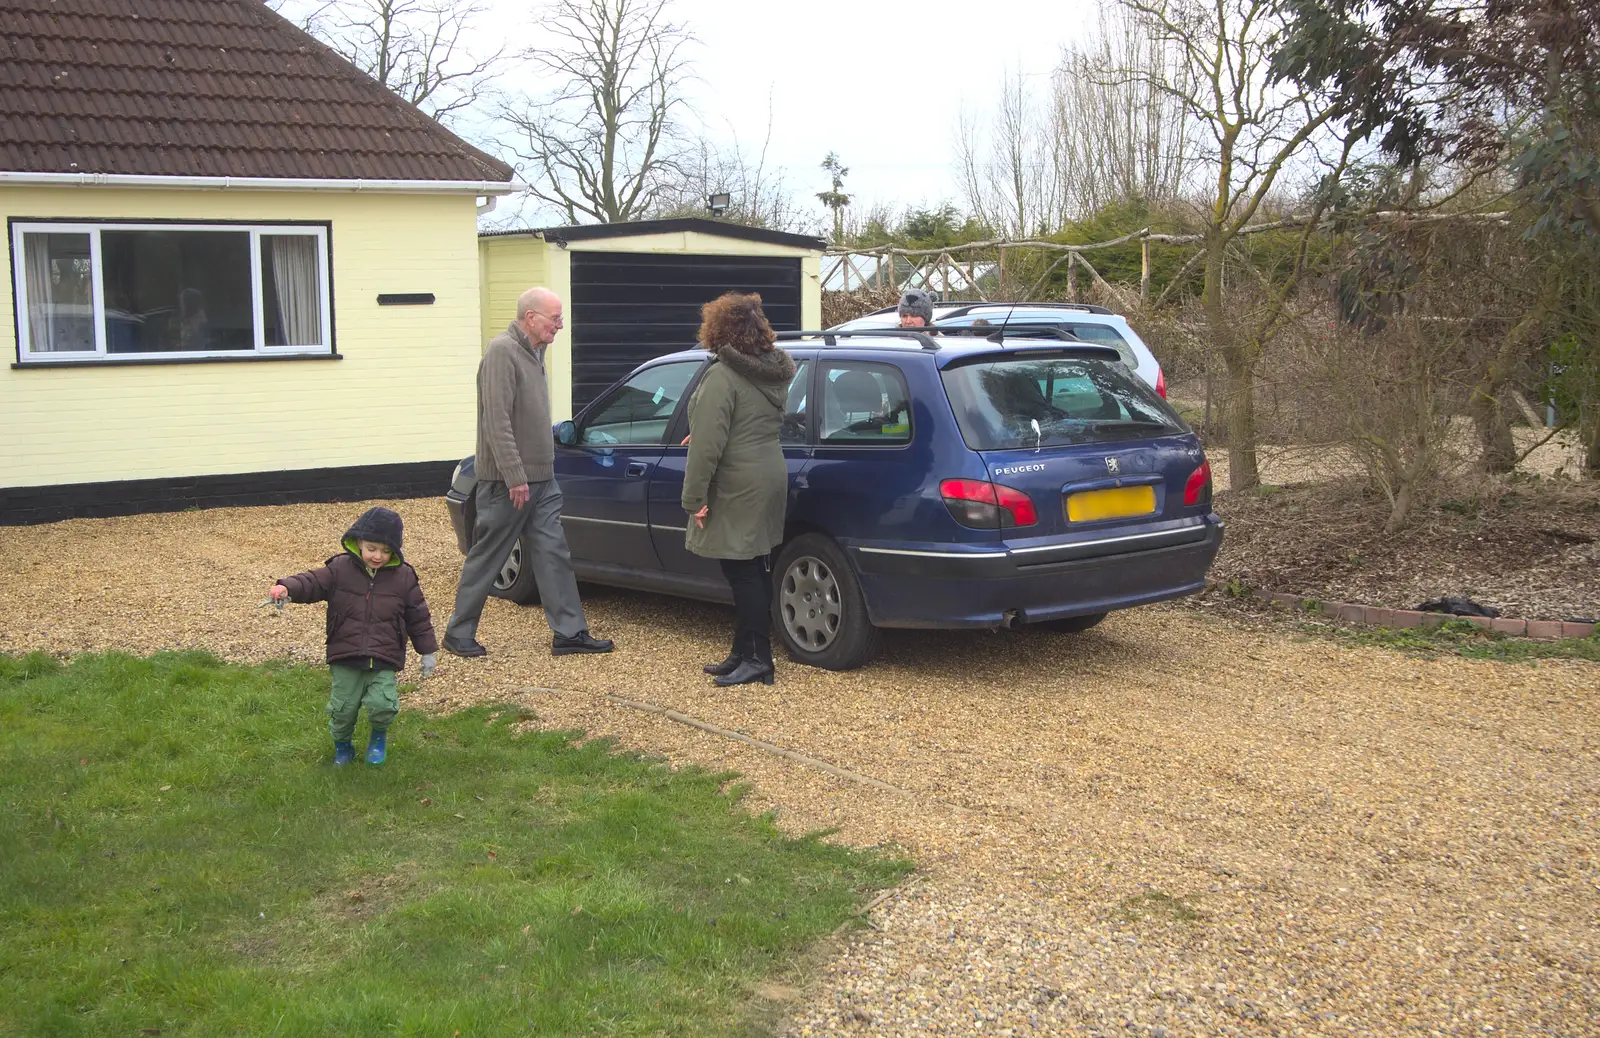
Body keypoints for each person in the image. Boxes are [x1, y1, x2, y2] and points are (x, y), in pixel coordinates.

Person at [444, 287, 613, 659]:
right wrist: (514, 475)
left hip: (543, 479)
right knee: (488, 555)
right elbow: (497, 420)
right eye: (555, 318)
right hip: (509, 483)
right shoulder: (501, 351)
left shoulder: (535, 351)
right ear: (531, 317)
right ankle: (458, 633)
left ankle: (569, 633)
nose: (561, 325)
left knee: (553, 552)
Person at [682, 292, 797, 687]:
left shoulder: (723, 374)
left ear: (716, 330)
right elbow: (743, 422)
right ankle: (744, 650)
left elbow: (709, 446)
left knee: (741, 570)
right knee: (753, 567)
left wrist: (693, 498)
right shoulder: (771, 369)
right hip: (767, 473)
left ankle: (758, 658)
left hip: (736, 482)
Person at [269, 507, 437, 766]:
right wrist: (286, 587)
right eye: (371, 548)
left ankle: (378, 736)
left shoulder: (404, 577)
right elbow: (311, 582)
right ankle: (343, 746)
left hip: (384, 655)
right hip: (345, 655)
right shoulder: (339, 568)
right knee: (343, 710)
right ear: (358, 542)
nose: (378, 556)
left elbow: (418, 615)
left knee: (383, 704)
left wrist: (427, 650)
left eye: (385, 550)